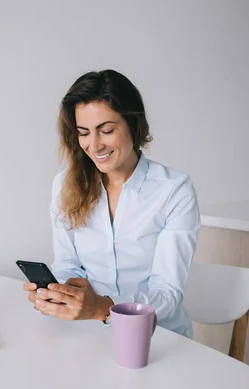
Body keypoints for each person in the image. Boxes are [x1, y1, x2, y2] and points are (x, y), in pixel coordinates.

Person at [23, 69, 201, 338]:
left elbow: (167, 293)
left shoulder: (174, 191)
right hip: (90, 335)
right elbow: (68, 265)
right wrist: (56, 293)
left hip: (160, 338)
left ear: (133, 124)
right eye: (83, 133)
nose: (94, 146)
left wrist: (104, 308)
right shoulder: (65, 185)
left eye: (105, 131)